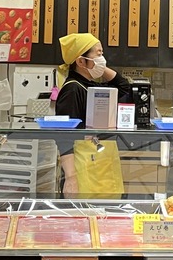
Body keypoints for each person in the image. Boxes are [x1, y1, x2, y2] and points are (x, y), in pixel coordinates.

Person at [55, 32, 133, 198]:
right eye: (98, 54)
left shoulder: (89, 86)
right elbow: (63, 136)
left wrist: (99, 67)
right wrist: (71, 178)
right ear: (81, 61)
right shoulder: (72, 89)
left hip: (100, 166)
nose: (102, 59)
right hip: (83, 171)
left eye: (102, 54)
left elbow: (124, 88)